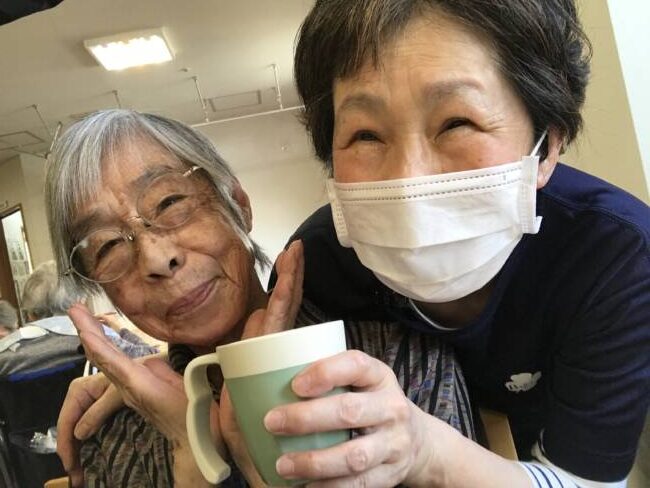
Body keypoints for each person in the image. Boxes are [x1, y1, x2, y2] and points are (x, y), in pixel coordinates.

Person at [256, 0, 649, 487]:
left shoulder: (612, 255)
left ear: (547, 147)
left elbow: (585, 481)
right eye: (366, 135)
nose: (408, 180)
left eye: (456, 123)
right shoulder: (318, 267)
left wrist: (426, 452)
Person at [47, 109, 473, 487]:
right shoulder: (115, 434)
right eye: (107, 246)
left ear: (238, 205)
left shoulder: (398, 365)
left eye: (170, 202)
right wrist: (192, 463)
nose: (158, 259)